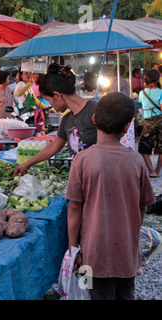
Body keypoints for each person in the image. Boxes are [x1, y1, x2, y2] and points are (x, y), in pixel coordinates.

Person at [65, 92, 155, 300]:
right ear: (127, 126)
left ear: (94, 118)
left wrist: (73, 249)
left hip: (91, 256)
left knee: (91, 293)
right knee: (125, 295)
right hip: (126, 254)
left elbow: (74, 208)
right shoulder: (137, 161)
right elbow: (142, 206)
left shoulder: (82, 160)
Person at [13, 64, 98, 177]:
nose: (51, 106)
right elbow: (54, 146)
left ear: (57, 95)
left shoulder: (95, 112)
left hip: (99, 179)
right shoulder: (67, 120)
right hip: (82, 178)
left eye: (48, 100)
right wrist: (27, 164)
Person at [137, 69, 162, 178]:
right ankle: (157, 170)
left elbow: (142, 104)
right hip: (160, 121)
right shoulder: (161, 92)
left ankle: (151, 171)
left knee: (143, 147)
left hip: (148, 122)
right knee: (161, 148)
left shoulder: (142, 93)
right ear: (157, 79)